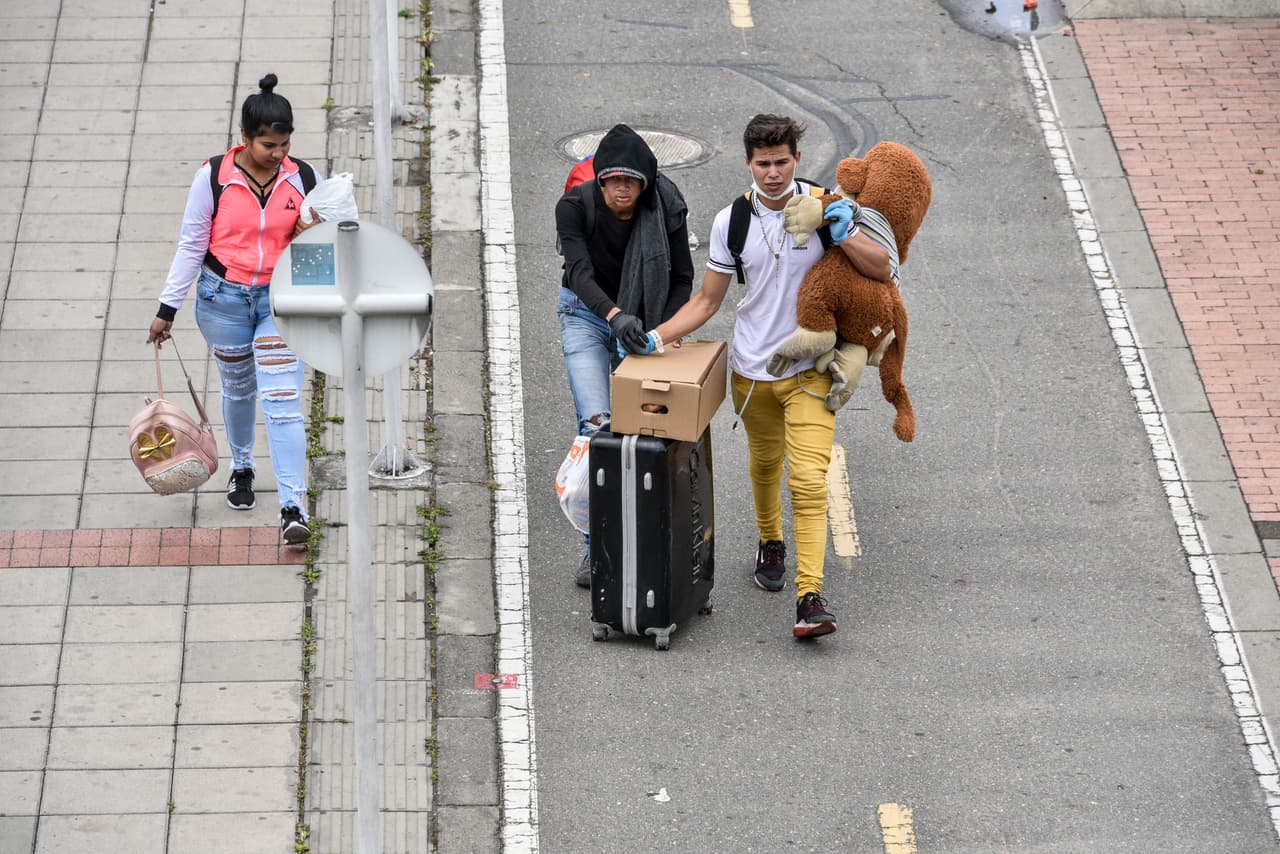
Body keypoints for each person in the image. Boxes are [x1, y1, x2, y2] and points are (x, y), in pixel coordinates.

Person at [650, 114, 892, 638]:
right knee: (765, 465)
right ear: (748, 164)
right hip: (753, 371)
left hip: (814, 370)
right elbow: (708, 300)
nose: (774, 173)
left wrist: (843, 232)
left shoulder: (828, 206)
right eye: (764, 164)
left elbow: (883, 270)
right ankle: (769, 540)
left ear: (797, 160)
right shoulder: (730, 222)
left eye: (782, 162)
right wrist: (656, 337)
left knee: (807, 482)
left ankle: (810, 597)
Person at [147, 73, 321, 546]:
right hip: (222, 300)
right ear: (243, 138)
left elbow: (329, 247)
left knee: (283, 404)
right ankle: (241, 465)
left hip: (280, 303)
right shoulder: (213, 177)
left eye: (285, 145)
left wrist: (313, 240)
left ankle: (293, 507)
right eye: (269, 145)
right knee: (240, 389)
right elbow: (191, 244)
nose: (279, 154)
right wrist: (168, 308)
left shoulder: (304, 179)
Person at [555, 123, 694, 587]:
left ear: (645, 182)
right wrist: (615, 316)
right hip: (586, 315)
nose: (621, 189)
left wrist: (659, 333)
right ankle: (597, 550)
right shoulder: (574, 207)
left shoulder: (667, 207)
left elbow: (682, 280)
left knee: (643, 427)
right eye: (613, 180)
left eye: (630, 181)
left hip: (644, 323)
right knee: (597, 427)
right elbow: (578, 272)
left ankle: (649, 541)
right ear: (599, 179)